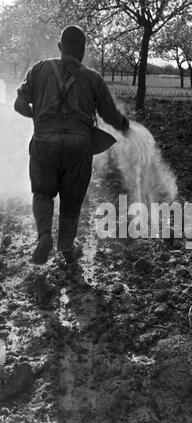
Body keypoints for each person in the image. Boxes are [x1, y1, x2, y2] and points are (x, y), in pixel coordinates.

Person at [14, 25, 130, 265]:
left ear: (60, 47)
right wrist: (125, 125)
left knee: (42, 193)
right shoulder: (93, 78)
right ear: (83, 50)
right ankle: (66, 246)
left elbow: (19, 105)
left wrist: (40, 118)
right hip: (79, 146)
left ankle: (44, 236)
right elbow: (110, 116)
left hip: (44, 143)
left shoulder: (39, 69)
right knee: (71, 199)